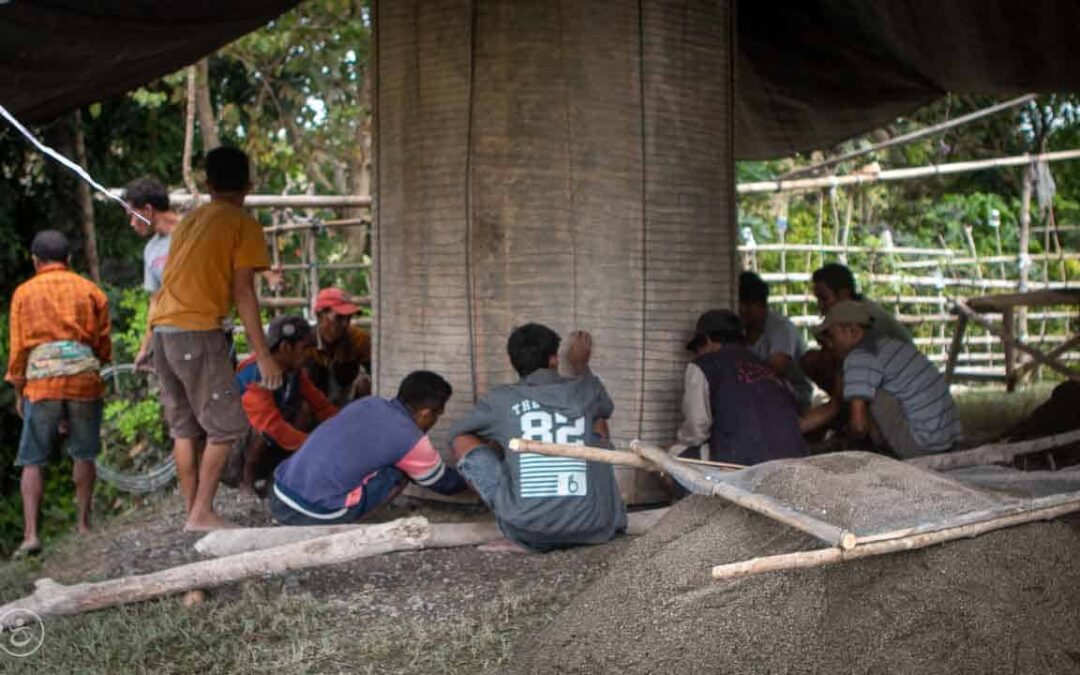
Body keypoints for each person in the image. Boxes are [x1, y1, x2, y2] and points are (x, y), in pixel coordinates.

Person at [148, 146, 282, 531]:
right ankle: (202, 513)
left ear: (207, 185)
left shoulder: (188, 222)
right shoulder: (242, 223)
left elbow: (168, 282)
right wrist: (264, 354)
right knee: (226, 427)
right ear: (249, 185)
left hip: (163, 331)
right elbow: (244, 292)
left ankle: (194, 513)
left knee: (185, 429)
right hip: (196, 331)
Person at [449, 324, 627, 552]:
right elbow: (606, 407)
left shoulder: (500, 399)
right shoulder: (587, 390)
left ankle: (514, 515)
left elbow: (456, 434)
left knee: (463, 440)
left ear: (514, 362)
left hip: (528, 530)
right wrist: (581, 364)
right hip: (594, 527)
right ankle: (599, 508)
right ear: (554, 359)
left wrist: (500, 444)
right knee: (597, 420)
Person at [5, 230, 112, 557]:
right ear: (69, 260)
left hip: (42, 383)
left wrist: (20, 387)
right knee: (84, 454)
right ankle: (83, 526)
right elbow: (103, 344)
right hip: (83, 378)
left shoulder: (24, 293)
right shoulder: (89, 290)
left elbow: (19, 350)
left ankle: (31, 535)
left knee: (33, 460)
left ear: (35, 261)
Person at [270, 371, 465, 525]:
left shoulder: (368, 403)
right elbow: (444, 483)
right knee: (401, 470)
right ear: (425, 413)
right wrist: (481, 475)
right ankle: (352, 522)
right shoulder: (410, 438)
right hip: (315, 513)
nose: (434, 422)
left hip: (279, 494)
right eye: (436, 416)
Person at [799, 301, 961, 458]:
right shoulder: (890, 345)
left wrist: (847, 444)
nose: (829, 346)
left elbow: (859, 425)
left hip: (922, 445)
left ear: (852, 331)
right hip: (945, 439)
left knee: (872, 396)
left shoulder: (860, 357)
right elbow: (836, 406)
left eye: (831, 337)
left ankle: (882, 454)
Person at [673, 309, 808, 465]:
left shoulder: (703, 365)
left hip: (741, 462)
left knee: (672, 456)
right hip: (794, 462)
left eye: (697, 348)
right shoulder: (769, 369)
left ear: (707, 340)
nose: (697, 354)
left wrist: (679, 440)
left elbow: (696, 430)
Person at [232, 315, 338, 497]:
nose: (308, 354)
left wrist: (345, 427)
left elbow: (321, 406)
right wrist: (316, 444)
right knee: (263, 431)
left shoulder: (293, 372)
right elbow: (272, 428)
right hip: (236, 452)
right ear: (285, 347)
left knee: (304, 410)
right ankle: (246, 482)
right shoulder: (254, 374)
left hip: (272, 443)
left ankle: (282, 476)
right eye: (304, 348)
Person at [801, 262, 912, 396]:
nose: (820, 305)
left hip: (897, 383)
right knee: (814, 360)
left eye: (824, 299)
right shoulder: (848, 312)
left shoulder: (865, 317)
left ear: (843, 294)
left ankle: (848, 408)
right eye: (818, 299)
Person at [738, 271, 813, 412]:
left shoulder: (781, 328)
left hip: (794, 396)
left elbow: (775, 370)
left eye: (745, 305)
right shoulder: (740, 329)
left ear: (759, 304)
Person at [305, 287, 372, 407]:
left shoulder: (359, 339)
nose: (346, 324)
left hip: (347, 405)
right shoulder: (305, 344)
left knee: (365, 382)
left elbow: (376, 371)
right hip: (313, 407)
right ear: (320, 316)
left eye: (349, 318)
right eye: (339, 318)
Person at [123, 176, 179, 294]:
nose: (132, 224)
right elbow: (156, 300)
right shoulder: (151, 250)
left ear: (148, 210)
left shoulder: (196, 233)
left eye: (133, 216)